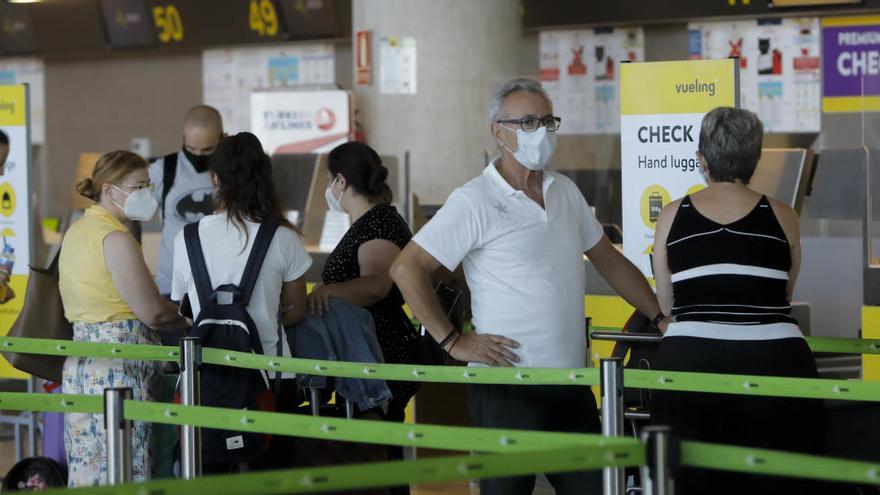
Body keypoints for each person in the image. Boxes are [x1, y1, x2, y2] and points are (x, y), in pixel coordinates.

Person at [389, 78, 666, 495]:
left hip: (571, 386)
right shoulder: (475, 199)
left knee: (595, 488)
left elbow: (608, 260)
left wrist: (660, 315)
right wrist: (452, 342)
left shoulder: (565, 192)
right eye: (528, 121)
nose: (542, 131)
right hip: (507, 392)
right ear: (499, 133)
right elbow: (407, 268)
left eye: (548, 120)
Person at [650, 107, 825, 495]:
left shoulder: (672, 216)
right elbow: (784, 294)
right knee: (779, 482)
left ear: (702, 160)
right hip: (777, 362)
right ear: (755, 160)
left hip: (690, 362)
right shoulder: (783, 215)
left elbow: (667, 302)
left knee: (694, 480)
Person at [170, 132, 311, 468]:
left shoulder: (187, 238)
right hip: (273, 376)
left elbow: (185, 308)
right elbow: (295, 309)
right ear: (264, 176)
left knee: (208, 473)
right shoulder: (282, 238)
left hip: (206, 377)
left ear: (214, 178)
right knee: (272, 477)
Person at [59, 150, 187, 486]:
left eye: (148, 184)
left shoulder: (77, 231)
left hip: (80, 367)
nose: (147, 193)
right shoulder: (115, 239)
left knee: (87, 473)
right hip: (120, 370)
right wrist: (188, 318)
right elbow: (154, 312)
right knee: (127, 471)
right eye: (137, 185)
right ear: (108, 189)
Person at [306, 141, 418, 493]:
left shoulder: (380, 221)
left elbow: (377, 285)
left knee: (379, 449)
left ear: (340, 181)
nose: (328, 189)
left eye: (328, 180)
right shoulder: (368, 221)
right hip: (366, 349)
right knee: (377, 448)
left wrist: (327, 291)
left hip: (380, 349)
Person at [149, 105, 224, 301]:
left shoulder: (232, 172)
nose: (198, 155)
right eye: (192, 149)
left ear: (222, 138)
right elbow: (131, 214)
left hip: (221, 282)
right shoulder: (163, 169)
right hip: (171, 285)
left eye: (208, 149)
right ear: (183, 139)